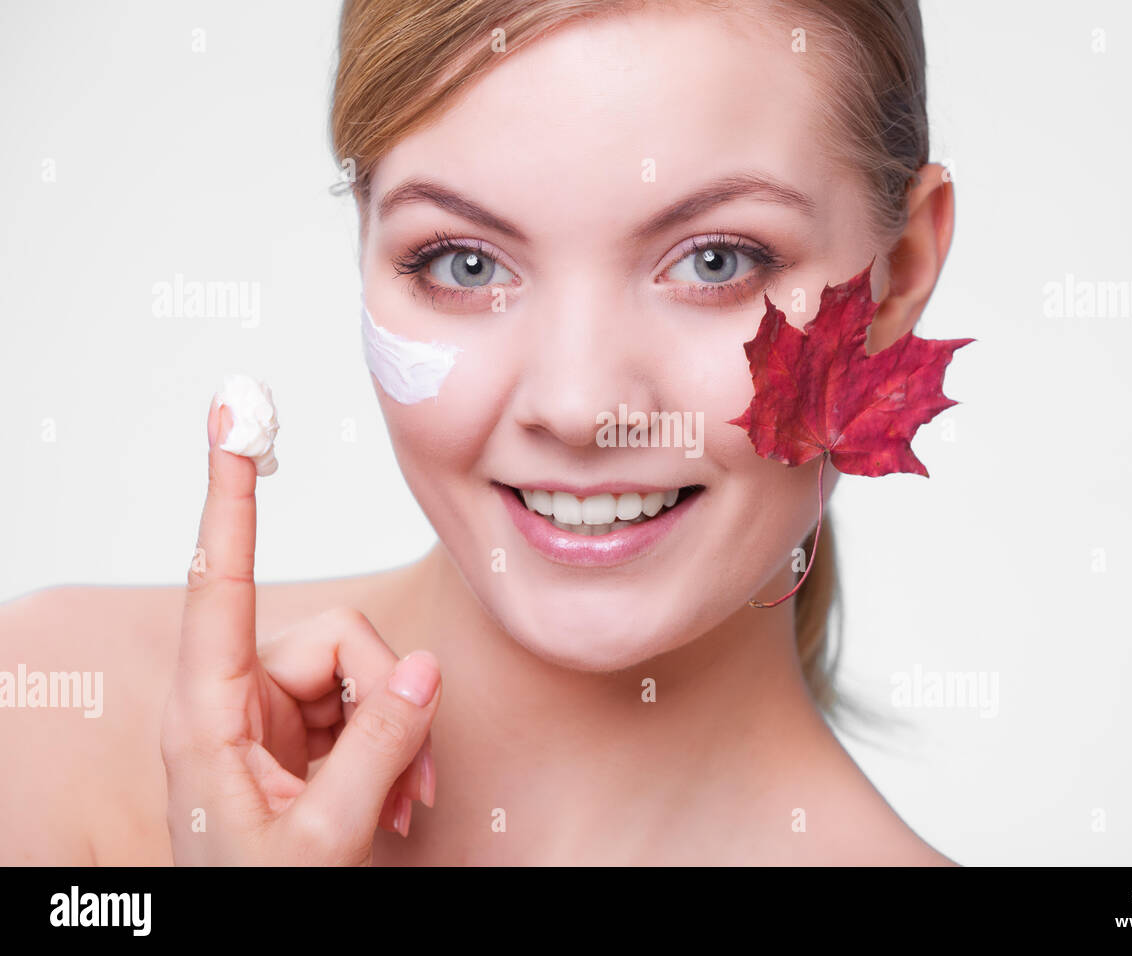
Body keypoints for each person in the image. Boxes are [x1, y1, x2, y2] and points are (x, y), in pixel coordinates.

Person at [0, 0, 956, 865]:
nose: (579, 408)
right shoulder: (39, 718)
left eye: (716, 260)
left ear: (901, 272)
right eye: (463, 264)